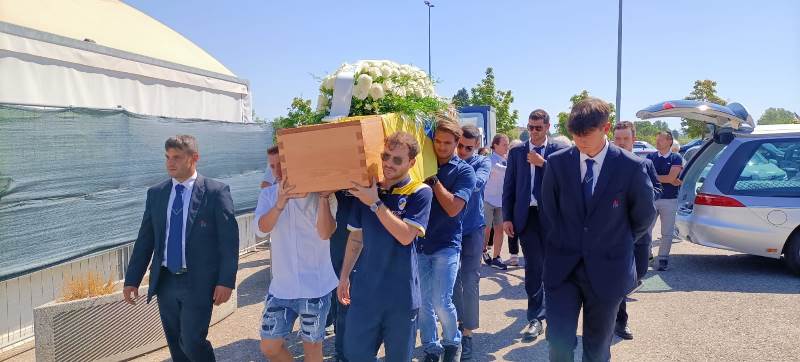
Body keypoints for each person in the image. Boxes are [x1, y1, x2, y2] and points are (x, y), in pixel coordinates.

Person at [540, 98, 656, 361]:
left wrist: (614, 241)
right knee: (558, 343)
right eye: (575, 134)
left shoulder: (631, 167)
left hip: (608, 271)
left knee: (597, 349)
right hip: (563, 269)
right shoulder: (557, 164)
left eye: (586, 134)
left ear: (605, 128)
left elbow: (644, 216)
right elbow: (549, 212)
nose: (580, 140)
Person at [123, 135, 239, 362]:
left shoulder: (216, 192)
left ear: (194, 158)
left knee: (193, 341)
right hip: (165, 281)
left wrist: (226, 281)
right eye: (167, 157)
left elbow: (228, 241)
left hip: (198, 281)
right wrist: (132, 279)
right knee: (177, 346)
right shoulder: (156, 193)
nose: (170, 162)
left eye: (177, 157)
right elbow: (145, 239)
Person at [338, 131, 433, 362]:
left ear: (411, 163)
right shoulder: (369, 190)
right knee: (355, 354)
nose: (388, 163)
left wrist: (375, 203)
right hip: (366, 293)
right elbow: (356, 238)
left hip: (400, 296)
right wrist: (344, 276)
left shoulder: (420, 192)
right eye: (385, 156)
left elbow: (406, 236)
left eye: (397, 159)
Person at [255, 146, 339, 362]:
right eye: (271, 166)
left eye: (280, 165)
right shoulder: (268, 194)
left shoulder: (320, 194)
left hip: (316, 286)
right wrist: (280, 203)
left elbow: (325, 232)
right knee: (269, 346)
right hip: (282, 287)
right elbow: (261, 228)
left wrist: (322, 199)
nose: (276, 172)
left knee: (312, 351)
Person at [502, 109, 568, 339]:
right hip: (526, 216)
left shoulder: (559, 151)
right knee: (533, 267)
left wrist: (543, 164)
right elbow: (508, 186)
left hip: (552, 217)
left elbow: (566, 182)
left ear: (548, 127)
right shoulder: (517, 151)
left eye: (538, 127)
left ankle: (557, 313)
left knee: (554, 265)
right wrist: (507, 217)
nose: (533, 132)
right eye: (530, 127)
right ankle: (536, 317)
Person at [418, 115, 476, 362]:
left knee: (442, 302)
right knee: (423, 304)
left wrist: (433, 180)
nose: (441, 147)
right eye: (438, 141)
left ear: (456, 143)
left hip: (447, 246)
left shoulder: (465, 171)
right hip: (419, 245)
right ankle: (431, 348)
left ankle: (453, 343)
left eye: (447, 143)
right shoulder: (420, 163)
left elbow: (453, 208)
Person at [612, 121, 663, 340]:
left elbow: (658, 188)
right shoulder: (608, 164)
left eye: (625, 138)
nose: (621, 142)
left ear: (634, 139)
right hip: (615, 233)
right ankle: (619, 321)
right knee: (620, 276)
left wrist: (644, 199)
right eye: (618, 139)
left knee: (639, 272)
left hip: (641, 232)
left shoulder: (645, 164)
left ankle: (613, 304)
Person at [453, 125, 491, 360]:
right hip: (450, 229)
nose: (464, 151)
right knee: (453, 280)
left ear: (476, 146)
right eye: (460, 146)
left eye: (469, 147)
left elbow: (476, 183)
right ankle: (456, 326)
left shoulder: (482, 163)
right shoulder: (448, 160)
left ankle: (467, 334)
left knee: (470, 279)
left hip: (473, 229)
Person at [646, 131, 684, 271]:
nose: (657, 142)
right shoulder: (650, 157)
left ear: (669, 142)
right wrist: (668, 179)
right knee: (646, 230)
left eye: (660, 139)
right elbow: (663, 178)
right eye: (657, 139)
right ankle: (648, 256)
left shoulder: (676, 157)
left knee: (667, 232)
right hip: (652, 199)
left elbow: (669, 178)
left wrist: (658, 177)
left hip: (669, 200)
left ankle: (663, 259)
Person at [482, 134, 511, 269]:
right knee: (486, 229)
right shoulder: (489, 160)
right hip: (487, 200)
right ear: (495, 145)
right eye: (504, 144)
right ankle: (482, 251)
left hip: (501, 201)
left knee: (500, 230)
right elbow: (501, 170)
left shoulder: (507, 160)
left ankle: (496, 257)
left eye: (508, 144)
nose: (507, 147)